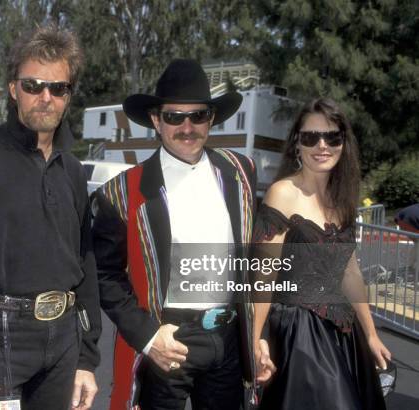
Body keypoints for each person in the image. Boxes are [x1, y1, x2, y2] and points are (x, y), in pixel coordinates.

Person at [92, 59, 274, 410]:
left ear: (211, 118)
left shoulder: (240, 172)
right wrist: (147, 337)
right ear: (157, 121)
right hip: (167, 340)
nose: (187, 127)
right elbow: (104, 275)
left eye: (198, 116)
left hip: (227, 339)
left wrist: (258, 334)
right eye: (175, 117)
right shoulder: (123, 192)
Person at [0, 24, 101, 410]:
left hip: (64, 339)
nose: (45, 97)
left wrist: (87, 359)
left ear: (68, 96)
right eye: (33, 85)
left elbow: (86, 266)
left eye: (57, 88)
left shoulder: (74, 171)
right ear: (13, 89)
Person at [252, 98, 391, 409]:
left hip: (344, 335)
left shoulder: (342, 199)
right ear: (297, 145)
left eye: (332, 136)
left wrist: (370, 334)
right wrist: (255, 339)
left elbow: (350, 271)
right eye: (310, 137)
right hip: (300, 335)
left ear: (344, 143)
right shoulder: (283, 193)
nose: (322, 145)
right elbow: (264, 273)